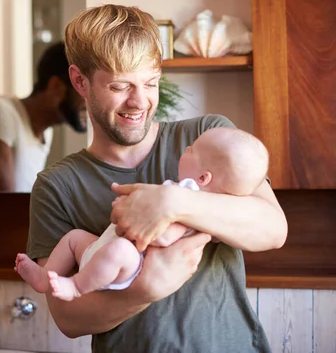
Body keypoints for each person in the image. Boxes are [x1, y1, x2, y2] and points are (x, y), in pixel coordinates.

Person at [26, 4, 287, 352]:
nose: (139, 101)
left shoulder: (209, 139)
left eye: (150, 82)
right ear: (80, 82)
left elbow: (273, 229)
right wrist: (144, 291)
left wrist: (174, 202)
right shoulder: (57, 185)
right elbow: (68, 319)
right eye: (120, 86)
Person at [16, 127, 269, 301]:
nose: (187, 148)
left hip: (130, 266)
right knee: (74, 237)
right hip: (102, 249)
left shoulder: (195, 199)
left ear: (203, 177)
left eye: (193, 150)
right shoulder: (184, 189)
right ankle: (44, 277)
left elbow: (166, 237)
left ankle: (76, 286)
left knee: (119, 251)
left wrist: (147, 222)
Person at [0, 42, 87, 192]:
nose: (92, 101)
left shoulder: (45, 132)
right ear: (56, 87)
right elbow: (5, 206)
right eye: (84, 87)